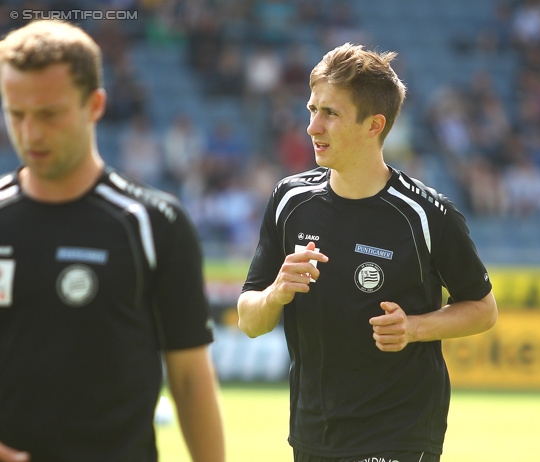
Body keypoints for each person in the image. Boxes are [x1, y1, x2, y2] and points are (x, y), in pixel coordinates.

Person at [237, 43, 498, 462]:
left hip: (399, 432)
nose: (312, 127)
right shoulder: (289, 200)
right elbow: (250, 319)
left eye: (330, 114)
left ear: (373, 125)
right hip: (311, 433)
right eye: (311, 109)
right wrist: (276, 293)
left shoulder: (428, 214)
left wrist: (413, 328)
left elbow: (483, 309)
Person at [0, 20, 224, 462]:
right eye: (16, 113)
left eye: (49, 113)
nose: (30, 133)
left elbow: (190, 379)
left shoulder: (154, 223)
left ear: (95, 104)